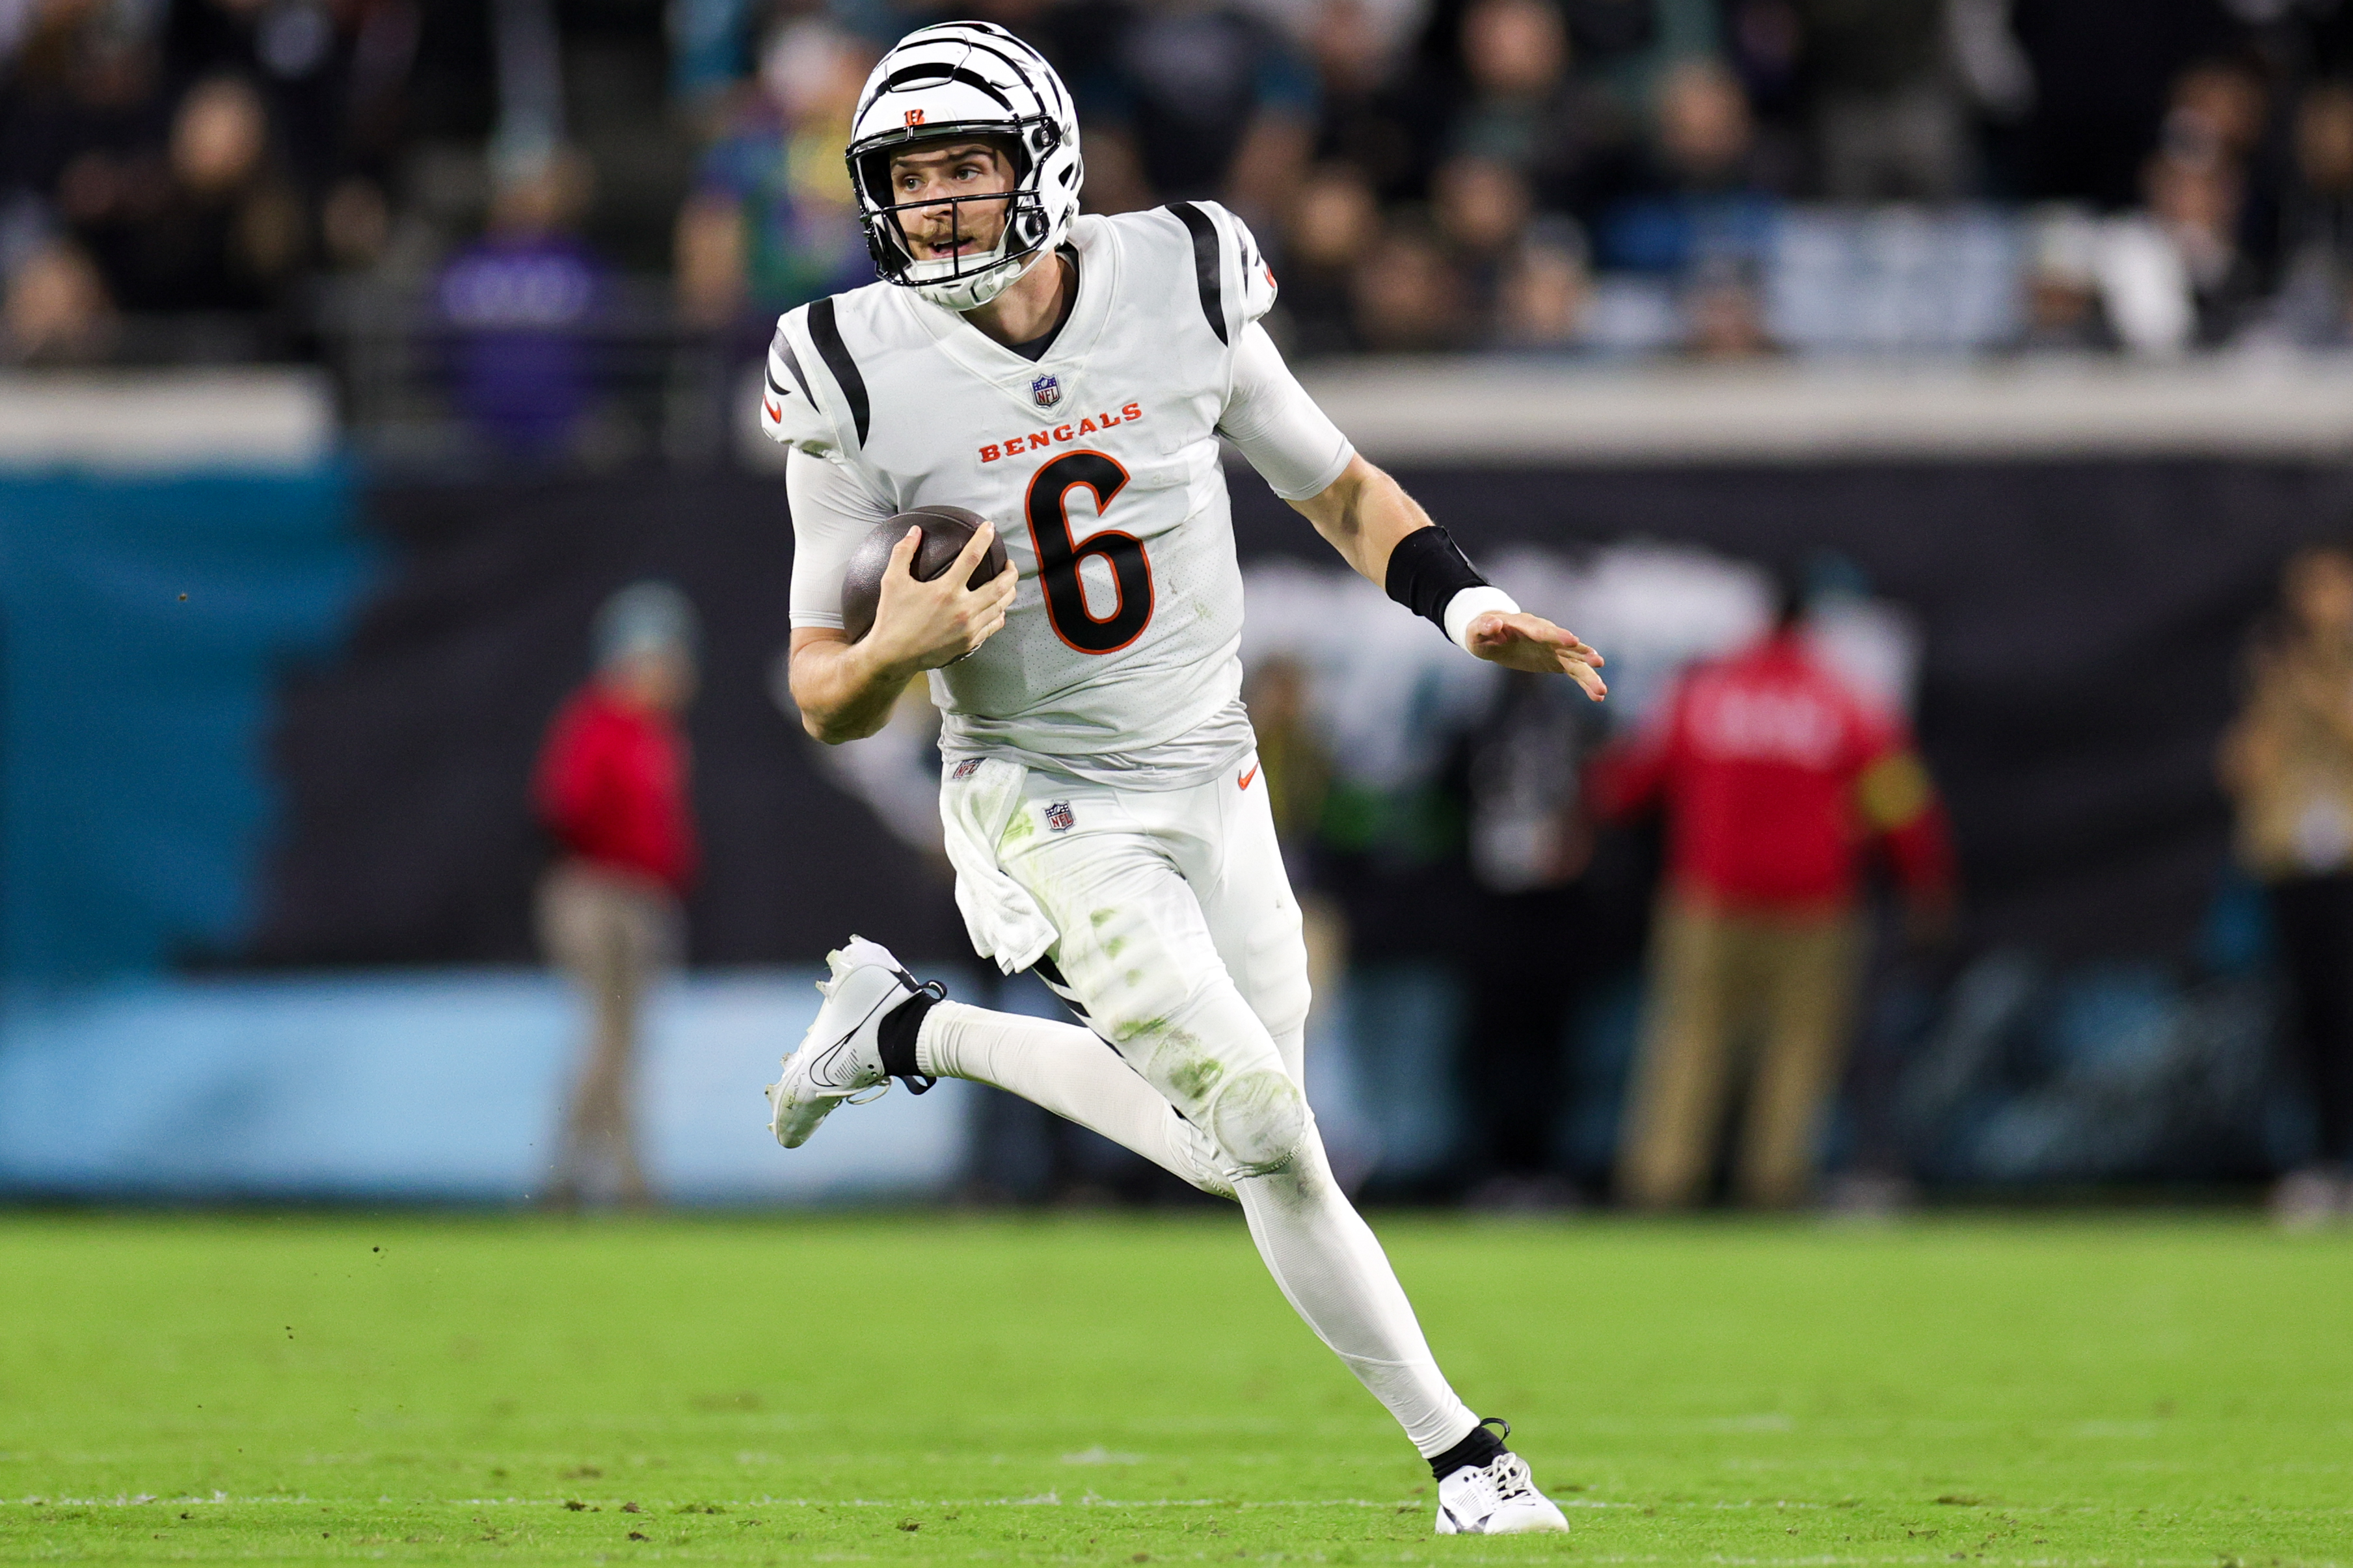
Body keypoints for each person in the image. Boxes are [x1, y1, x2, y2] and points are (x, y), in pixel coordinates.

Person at [757, 21, 1604, 1537]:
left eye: (965, 166)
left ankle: (908, 1029)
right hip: (1040, 795)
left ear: (1045, 164)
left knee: (1246, 1141)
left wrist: (1466, 606)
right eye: (910, 177)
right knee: (1262, 1125)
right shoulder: (846, 365)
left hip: (1215, 774)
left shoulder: (1180, 275)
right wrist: (896, 650)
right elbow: (822, 687)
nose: (936, 204)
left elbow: (1335, 485)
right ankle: (1466, 1461)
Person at [1593, 582, 1956, 1211]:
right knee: (1798, 1047)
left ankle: (1662, 1183)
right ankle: (1774, 1184)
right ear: (1810, 625)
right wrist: (1925, 881)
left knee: (1688, 1039)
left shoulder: (1704, 692)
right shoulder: (1843, 699)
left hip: (1709, 899)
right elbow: (1898, 801)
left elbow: (1632, 784)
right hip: (1813, 905)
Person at [532, 582, 700, 1209]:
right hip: (598, 892)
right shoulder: (599, 723)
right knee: (608, 1037)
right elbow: (565, 807)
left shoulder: (657, 733)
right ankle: (571, 1177)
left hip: (641, 896)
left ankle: (617, 1179)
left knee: (621, 1043)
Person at [2219, 541, 2353, 1228]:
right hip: (2290, 860)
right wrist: (2269, 705)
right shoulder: (2275, 666)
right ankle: (2320, 1161)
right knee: (2305, 1013)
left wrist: (2314, 684)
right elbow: (2241, 769)